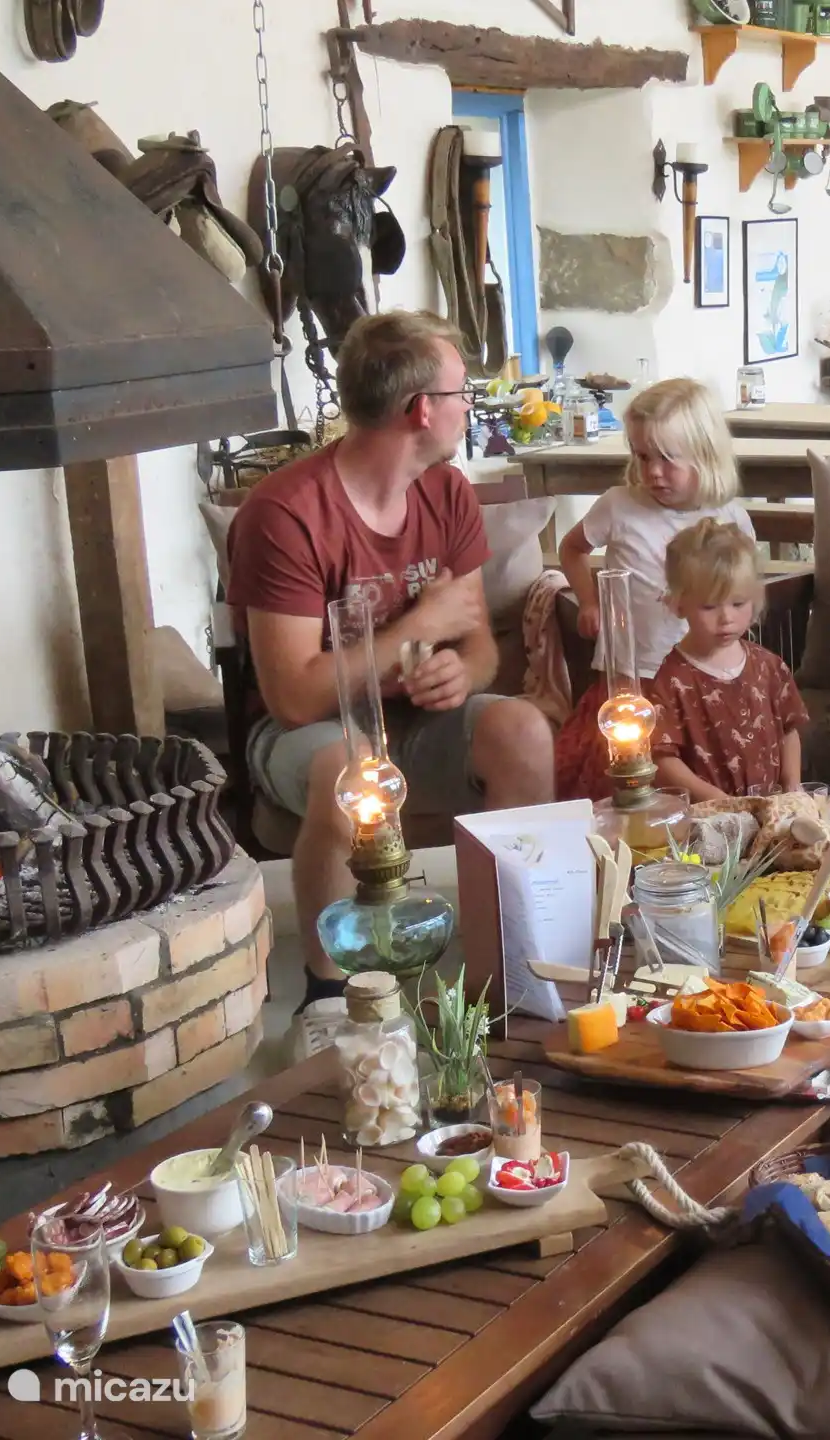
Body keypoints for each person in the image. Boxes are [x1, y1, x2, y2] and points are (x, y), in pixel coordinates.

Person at [227, 310, 556, 1029]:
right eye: (461, 392)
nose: (468, 407)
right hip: (309, 733)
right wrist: (417, 629)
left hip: (421, 717)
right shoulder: (284, 514)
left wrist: (462, 672)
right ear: (421, 409)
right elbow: (292, 697)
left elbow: (479, 644)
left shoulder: (447, 492)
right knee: (353, 771)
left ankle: (511, 966)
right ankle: (328, 995)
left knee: (524, 730)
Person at [554, 378, 754, 803]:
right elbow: (571, 549)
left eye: (667, 458)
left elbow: (745, 591)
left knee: (692, 783)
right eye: (642, 456)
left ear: (704, 454)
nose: (653, 472)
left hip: (701, 683)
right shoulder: (619, 505)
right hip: (632, 678)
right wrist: (588, 601)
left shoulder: (731, 517)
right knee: (619, 785)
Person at [650, 519, 809, 801]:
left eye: (738, 603)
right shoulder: (672, 679)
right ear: (679, 604)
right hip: (707, 815)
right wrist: (721, 802)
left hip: (771, 809)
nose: (726, 618)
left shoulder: (769, 667)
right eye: (709, 606)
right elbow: (663, 761)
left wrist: (792, 787)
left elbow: (789, 730)